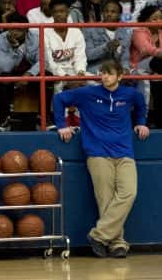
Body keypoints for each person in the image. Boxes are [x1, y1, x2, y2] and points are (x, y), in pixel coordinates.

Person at [54, 59, 149, 258]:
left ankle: (99, 235)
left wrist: (141, 122)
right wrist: (61, 124)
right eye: (102, 73)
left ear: (120, 76)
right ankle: (118, 243)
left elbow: (141, 105)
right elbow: (59, 99)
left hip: (124, 152)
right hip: (97, 153)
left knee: (128, 193)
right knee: (105, 199)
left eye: (109, 73)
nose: (104, 76)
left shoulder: (130, 95)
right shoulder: (88, 93)